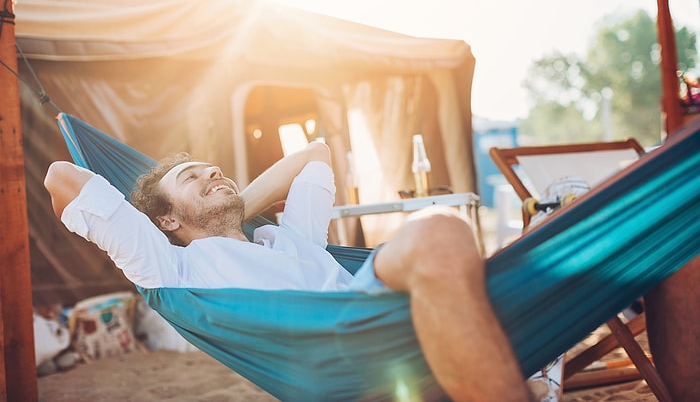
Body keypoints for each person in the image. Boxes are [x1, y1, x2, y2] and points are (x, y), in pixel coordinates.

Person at [45, 141, 530, 401]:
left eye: (215, 171)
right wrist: (198, 226)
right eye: (192, 178)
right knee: (440, 230)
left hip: (383, 308)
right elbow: (60, 178)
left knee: (489, 253)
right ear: (165, 221)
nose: (213, 174)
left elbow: (315, 153)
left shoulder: (289, 234)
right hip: (338, 342)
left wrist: (228, 207)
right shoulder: (172, 266)